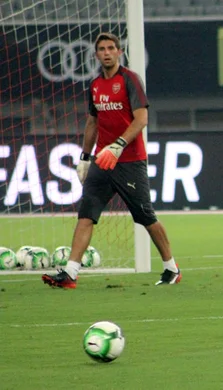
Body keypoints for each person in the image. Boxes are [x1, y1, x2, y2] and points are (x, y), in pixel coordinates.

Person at [42, 32, 181, 289]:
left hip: (129, 161)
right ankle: (70, 273)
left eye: (110, 48)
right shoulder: (95, 85)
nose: (106, 52)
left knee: (146, 217)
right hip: (102, 162)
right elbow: (93, 121)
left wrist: (118, 146)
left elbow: (141, 120)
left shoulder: (130, 80)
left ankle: (171, 268)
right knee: (86, 214)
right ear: (96, 55)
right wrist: (85, 157)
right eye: (102, 49)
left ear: (119, 52)